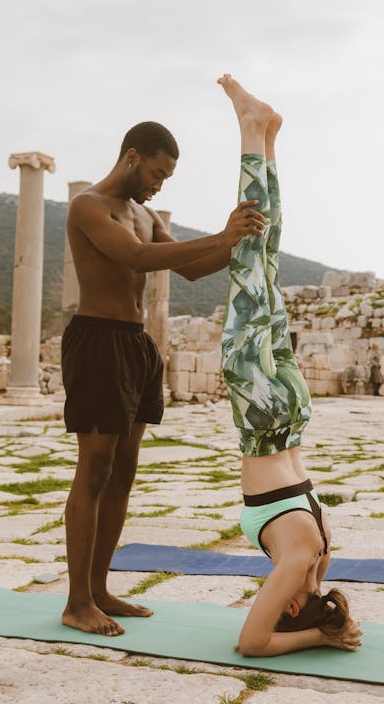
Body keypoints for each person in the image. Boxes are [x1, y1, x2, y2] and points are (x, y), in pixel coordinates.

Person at [61, 120, 268, 636]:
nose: (159, 185)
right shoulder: (89, 205)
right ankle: (76, 601)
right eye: (157, 173)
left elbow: (192, 268)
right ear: (133, 157)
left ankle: (102, 588)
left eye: (167, 178)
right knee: (95, 468)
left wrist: (244, 241)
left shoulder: (144, 214)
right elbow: (136, 257)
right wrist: (220, 234)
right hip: (97, 339)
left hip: (136, 345)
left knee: (124, 473)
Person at [218, 73, 363, 656]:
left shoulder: (320, 556)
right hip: (261, 417)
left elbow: (318, 597)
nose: (274, 595)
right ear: (295, 607)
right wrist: (313, 639)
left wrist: (332, 621)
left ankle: (269, 139)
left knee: (267, 260)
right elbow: (252, 644)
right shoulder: (300, 560)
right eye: (283, 604)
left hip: (294, 419)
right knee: (249, 256)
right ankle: (253, 136)